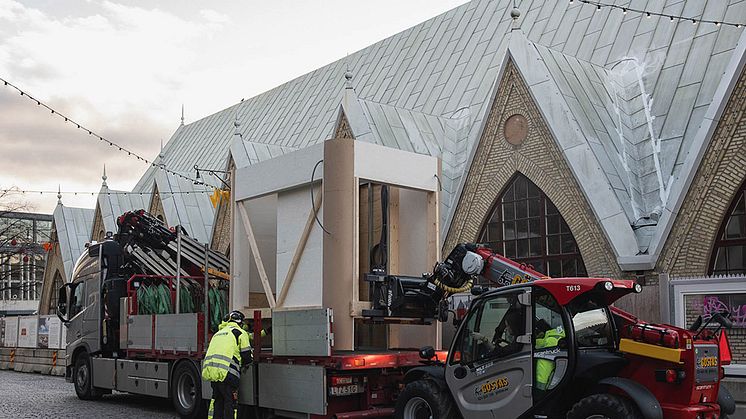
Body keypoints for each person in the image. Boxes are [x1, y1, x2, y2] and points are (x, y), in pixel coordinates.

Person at [202, 310, 251, 419]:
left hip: (214, 373)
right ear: (240, 323)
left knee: (217, 401)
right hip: (228, 374)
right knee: (230, 403)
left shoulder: (218, 334)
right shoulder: (240, 333)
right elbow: (247, 357)